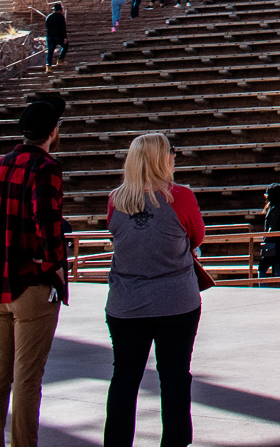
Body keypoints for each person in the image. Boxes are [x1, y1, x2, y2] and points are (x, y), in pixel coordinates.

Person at [0, 93, 69, 447]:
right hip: (33, 286)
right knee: (28, 379)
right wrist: (52, 262)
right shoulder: (45, 168)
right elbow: (46, 219)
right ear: (53, 132)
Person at [102, 132, 204, 447]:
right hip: (175, 302)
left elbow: (117, 238)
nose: (175, 156)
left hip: (126, 304)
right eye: (172, 152)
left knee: (124, 378)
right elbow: (196, 237)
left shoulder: (116, 199)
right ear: (161, 159)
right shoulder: (182, 197)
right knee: (174, 377)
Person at [254, 184, 280, 284]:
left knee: (262, 269)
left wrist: (266, 240)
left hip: (275, 247)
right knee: (279, 271)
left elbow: (273, 229)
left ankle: (263, 291)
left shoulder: (275, 209)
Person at [44, 3, 67, 68]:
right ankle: (60, 59)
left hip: (50, 36)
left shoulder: (48, 17)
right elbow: (63, 28)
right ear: (60, 10)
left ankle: (49, 66)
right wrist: (64, 37)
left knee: (50, 51)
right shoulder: (60, 17)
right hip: (58, 36)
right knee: (65, 46)